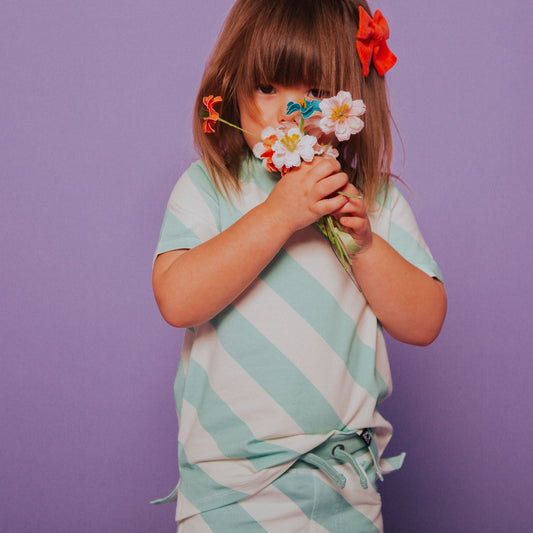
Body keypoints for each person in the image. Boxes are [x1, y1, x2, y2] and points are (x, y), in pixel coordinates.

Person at [152, 0, 447, 531]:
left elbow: (424, 321)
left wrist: (365, 245)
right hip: (230, 491)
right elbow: (177, 299)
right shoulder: (210, 187)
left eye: (315, 93)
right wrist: (279, 213)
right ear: (233, 89)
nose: (292, 112)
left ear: (351, 102)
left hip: (345, 490)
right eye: (269, 88)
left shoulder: (373, 203)